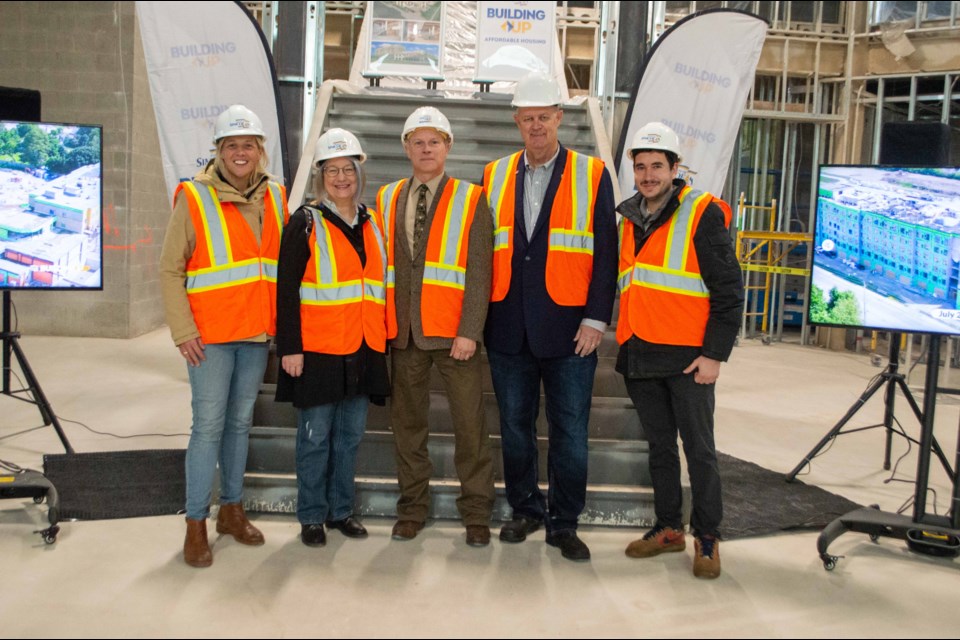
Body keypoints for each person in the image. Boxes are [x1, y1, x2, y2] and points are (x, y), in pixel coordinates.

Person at [482, 71, 618, 562]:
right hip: (508, 327)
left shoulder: (592, 173)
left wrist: (596, 319)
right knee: (515, 428)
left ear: (560, 118)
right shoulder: (495, 174)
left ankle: (564, 522)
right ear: (516, 121)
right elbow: (485, 253)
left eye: (544, 117)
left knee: (570, 431)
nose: (536, 126)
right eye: (527, 118)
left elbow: (606, 253)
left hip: (570, 330)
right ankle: (525, 509)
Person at [160, 104, 289, 568]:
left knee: (239, 425)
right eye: (231, 145)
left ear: (260, 151)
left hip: (255, 334)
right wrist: (183, 330)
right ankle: (196, 522)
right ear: (218, 151)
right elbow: (171, 268)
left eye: (248, 145)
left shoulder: (276, 195)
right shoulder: (194, 197)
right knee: (208, 428)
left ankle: (231, 511)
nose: (240, 153)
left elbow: (281, 266)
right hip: (209, 338)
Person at [616, 122, 743, 579]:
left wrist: (714, 355)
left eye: (657, 166)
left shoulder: (701, 212)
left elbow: (728, 289)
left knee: (700, 451)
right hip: (642, 351)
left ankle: (706, 535)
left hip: (689, 357)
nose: (648, 175)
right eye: (641, 167)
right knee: (659, 449)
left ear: (675, 168)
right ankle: (669, 527)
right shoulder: (630, 216)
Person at [375, 106, 495, 547]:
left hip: (454, 336)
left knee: (469, 427)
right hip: (404, 333)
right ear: (406, 148)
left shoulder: (472, 197)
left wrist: (471, 330)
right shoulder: (387, 197)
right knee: (407, 427)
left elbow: (481, 271)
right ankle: (412, 508)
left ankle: (477, 513)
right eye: (418, 142)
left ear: (448, 147)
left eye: (435, 141)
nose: (426, 149)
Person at [275, 128, 389, 547]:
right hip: (317, 351)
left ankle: (341, 511)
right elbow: (286, 290)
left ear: (359, 174)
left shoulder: (373, 223)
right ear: (320, 177)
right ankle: (311, 516)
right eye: (332, 170)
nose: (341, 177)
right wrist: (290, 347)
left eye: (348, 169)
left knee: (349, 438)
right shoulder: (305, 222)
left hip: (361, 347)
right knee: (315, 438)